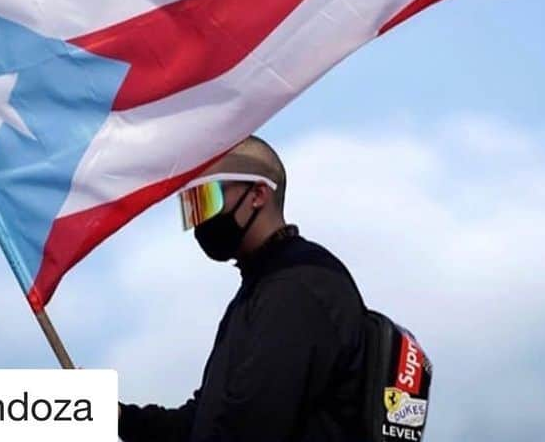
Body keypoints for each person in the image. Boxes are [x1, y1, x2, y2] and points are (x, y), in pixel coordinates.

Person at [119, 135, 367, 442]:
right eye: (193, 207)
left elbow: (249, 428)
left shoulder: (297, 286)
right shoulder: (260, 287)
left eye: (208, 199)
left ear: (258, 194)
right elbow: (202, 424)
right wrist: (114, 416)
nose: (201, 221)